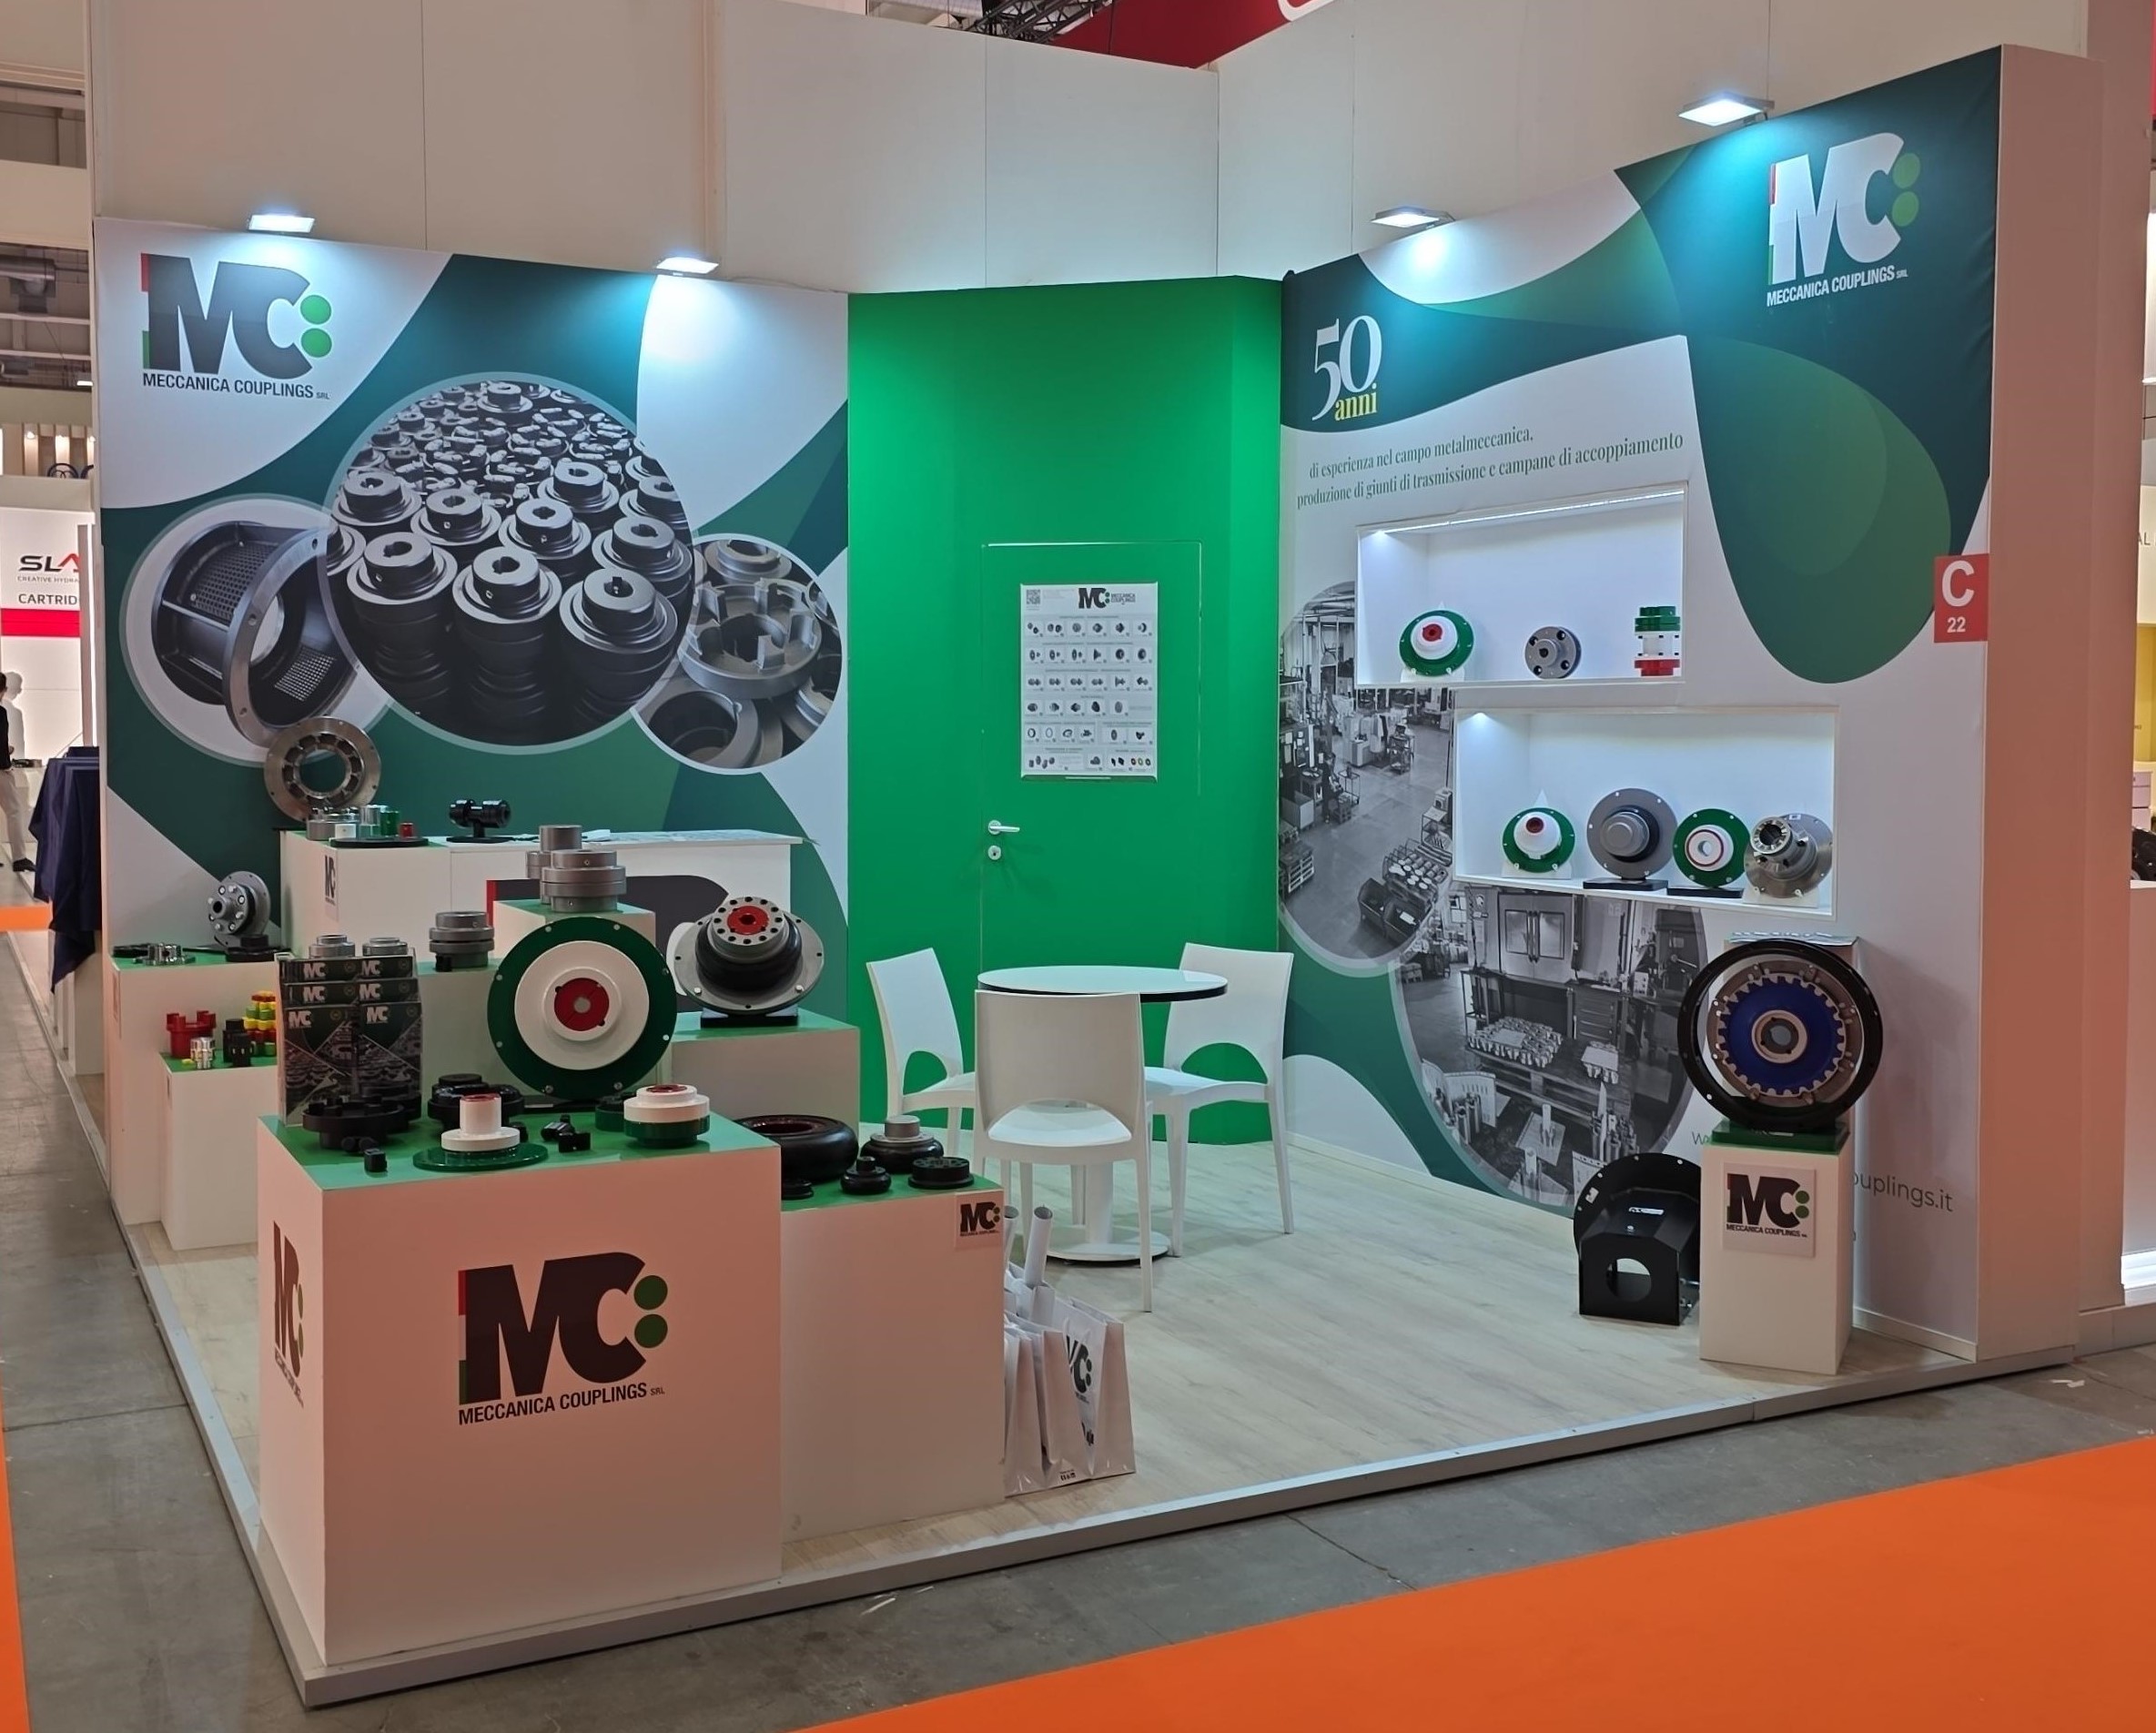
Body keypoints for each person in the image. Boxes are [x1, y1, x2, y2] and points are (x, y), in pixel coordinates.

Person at [0, 673, 29, 873]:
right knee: (14, 811)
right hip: (1, 769)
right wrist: (6, 756)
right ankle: (19, 858)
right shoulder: (2, 713)